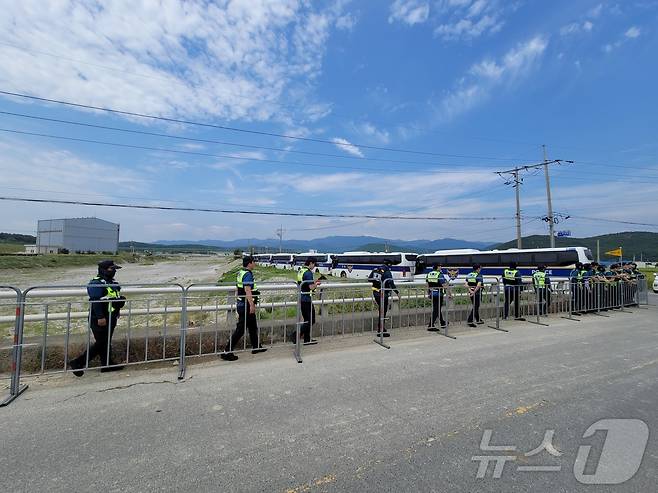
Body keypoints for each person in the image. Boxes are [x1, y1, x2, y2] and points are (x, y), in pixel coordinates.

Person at [69, 260, 126, 377]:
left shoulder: (113, 283)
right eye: (111, 269)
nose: (114, 271)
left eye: (114, 269)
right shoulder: (96, 283)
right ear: (103, 270)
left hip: (111, 317)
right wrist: (100, 317)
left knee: (106, 342)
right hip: (99, 319)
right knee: (101, 343)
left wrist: (119, 306)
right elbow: (95, 301)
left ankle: (107, 365)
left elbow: (113, 299)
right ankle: (78, 362)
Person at [221, 255, 267, 362]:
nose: (255, 264)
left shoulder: (240, 272)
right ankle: (227, 351)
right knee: (240, 330)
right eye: (254, 262)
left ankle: (256, 347)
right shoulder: (247, 275)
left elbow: (238, 288)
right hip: (246, 305)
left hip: (242, 304)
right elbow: (247, 290)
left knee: (252, 327)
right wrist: (251, 305)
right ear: (249, 263)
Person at [291, 257, 321, 345]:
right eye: (314, 264)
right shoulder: (308, 273)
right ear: (311, 263)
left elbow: (304, 283)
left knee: (307, 319)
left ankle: (307, 340)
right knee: (311, 320)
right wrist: (317, 283)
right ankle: (296, 335)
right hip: (306, 299)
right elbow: (311, 287)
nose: (314, 266)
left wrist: (313, 283)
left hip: (302, 297)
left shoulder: (301, 270)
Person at [368, 259, 400, 337]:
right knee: (383, 311)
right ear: (389, 265)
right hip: (383, 294)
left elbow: (369, 279)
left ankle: (382, 328)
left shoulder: (375, 270)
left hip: (375, 293)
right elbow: (391, 283)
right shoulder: (387, 272)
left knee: (381, 310)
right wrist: (397, 293)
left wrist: (377, 282)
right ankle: (380, 329)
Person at [426, 263, 447, 330]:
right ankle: (430, 325)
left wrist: (428, 293)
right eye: (440, 266)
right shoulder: (439, 274)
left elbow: (427, 285)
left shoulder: (429, 274)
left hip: (432, 294)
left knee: (437, 309)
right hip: (439, 294)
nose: (441, 267)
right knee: (436, 310)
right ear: (437, 267)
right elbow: (444, 285)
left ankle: (442, 322)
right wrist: (449, 293)